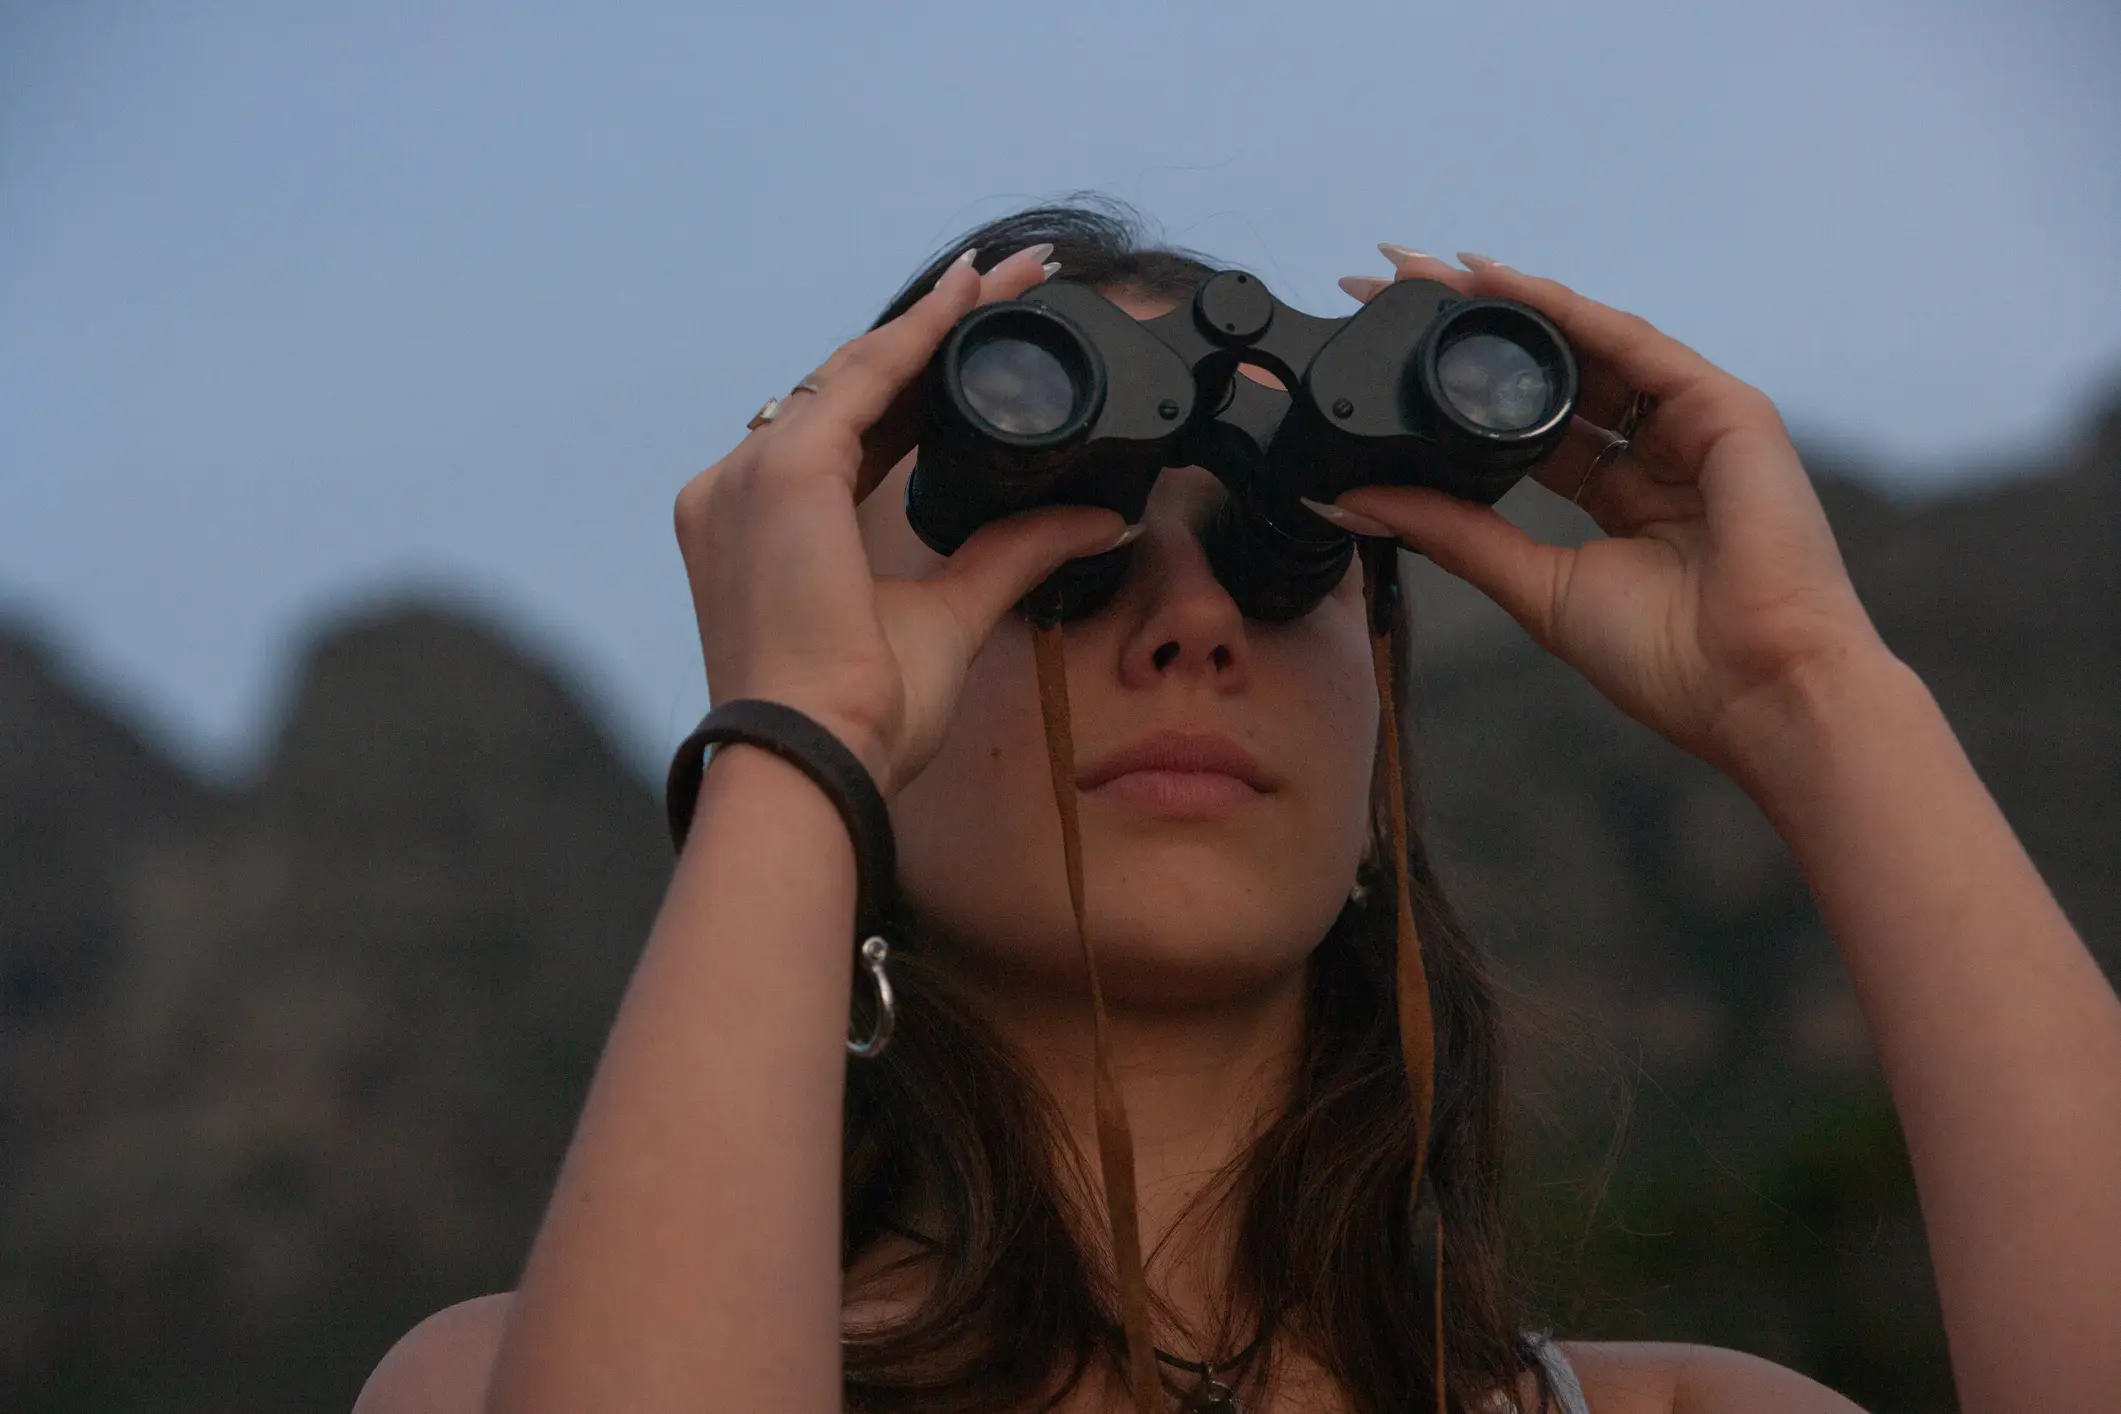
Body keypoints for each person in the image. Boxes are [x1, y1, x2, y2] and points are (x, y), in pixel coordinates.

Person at [353, 205, 2121, 1413]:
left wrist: (1816, 696)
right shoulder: (507, 1375)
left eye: (1289, 558)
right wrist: (796, 736)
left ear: (1381, 770)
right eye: (1062, 547)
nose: (1194, 618)